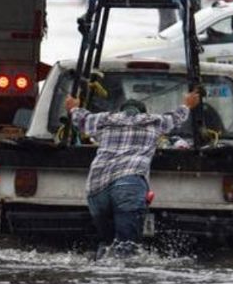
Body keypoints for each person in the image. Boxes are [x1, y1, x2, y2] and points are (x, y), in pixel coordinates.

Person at [65, 89, 201, 258]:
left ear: (121, 111)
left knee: (107, 243)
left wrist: (73, 107)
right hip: (128, 184)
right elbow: (176, 117)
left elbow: (81, 119)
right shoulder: (153, 121)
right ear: (143, 112)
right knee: (126, 247)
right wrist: (188, 103)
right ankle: (124, 279)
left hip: (96, 187)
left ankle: (101, 268)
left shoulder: (105, 119)